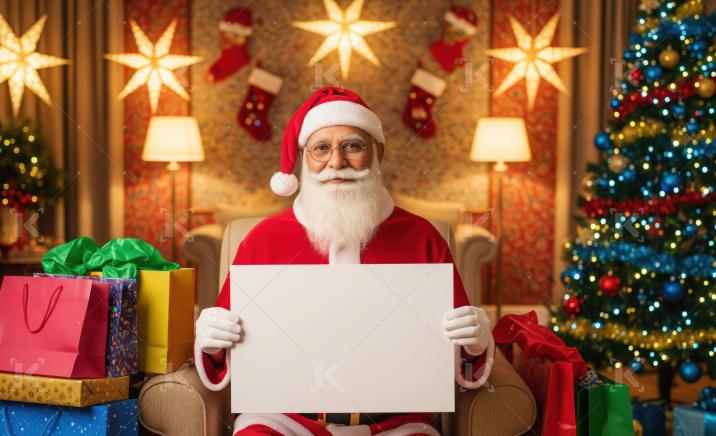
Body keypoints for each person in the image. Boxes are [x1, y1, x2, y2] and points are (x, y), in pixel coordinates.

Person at [195, 86, 494, 435]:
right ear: (304, 159)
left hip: (397, 426)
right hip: (285, 423)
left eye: (352, 146)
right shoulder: (263, 240)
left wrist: (476, 341)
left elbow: (460, 349)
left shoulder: (422, 237)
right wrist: (211, 341)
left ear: (377, 152)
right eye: (321, 149)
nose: (336, 162)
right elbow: (225, 351)